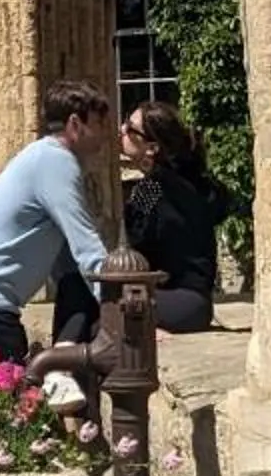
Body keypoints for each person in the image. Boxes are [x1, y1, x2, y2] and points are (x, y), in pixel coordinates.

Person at [0, 81, 110, 382]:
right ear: (75, 124)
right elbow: (87, 248)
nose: (105, 132)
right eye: (99, 123)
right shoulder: (58, 162)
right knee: (7, 413)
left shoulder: (39, 156)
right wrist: (123, 313)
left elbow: (69, 260)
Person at [58, 100, 224, 339]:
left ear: (152, 147)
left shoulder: (153, 187)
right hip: (194, 304)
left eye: (130, 129)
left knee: (83, 297)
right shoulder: (187, 182)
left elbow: (133, 248)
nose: (121, 131)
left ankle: (60, 363)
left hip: (178, 301)